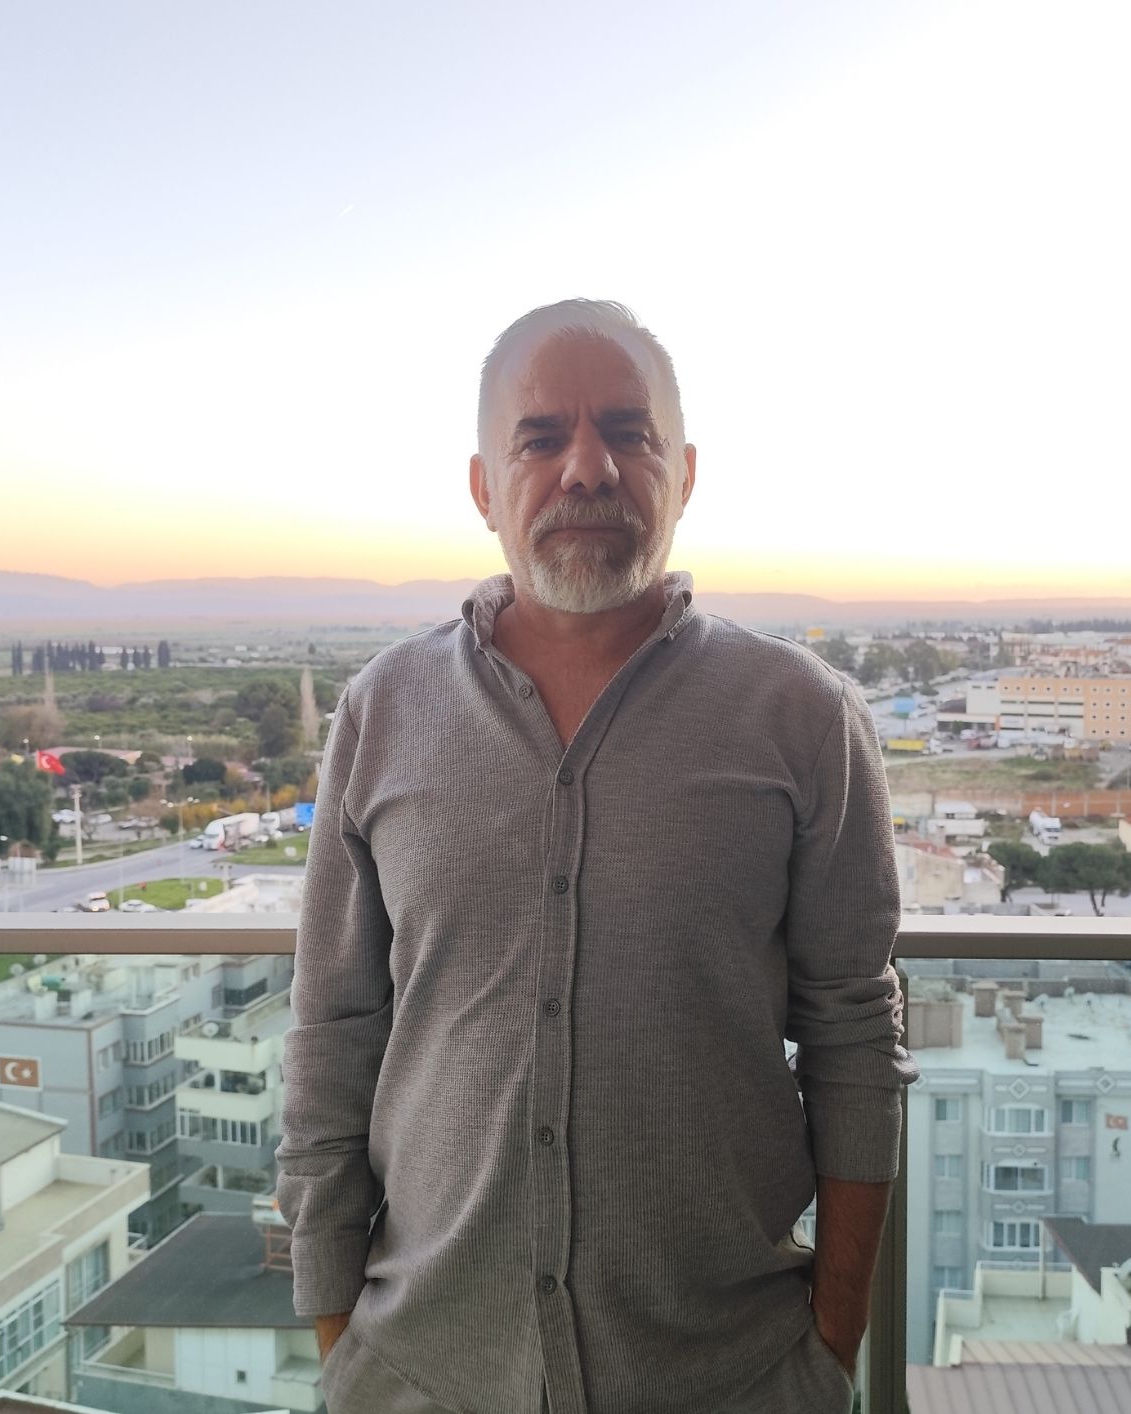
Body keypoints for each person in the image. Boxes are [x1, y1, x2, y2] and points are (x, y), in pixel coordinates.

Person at [275, 299, 916, 1414]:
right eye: (539, 438)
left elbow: (854, 1034)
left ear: (684, 472)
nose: (587, 468)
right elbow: (334, 1031)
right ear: (483, 487)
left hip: (735, 1378)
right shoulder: (384, 711)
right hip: (419, 1375)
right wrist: (340, 1339)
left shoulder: (800, 714)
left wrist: (832, 1340)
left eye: (628, 432)